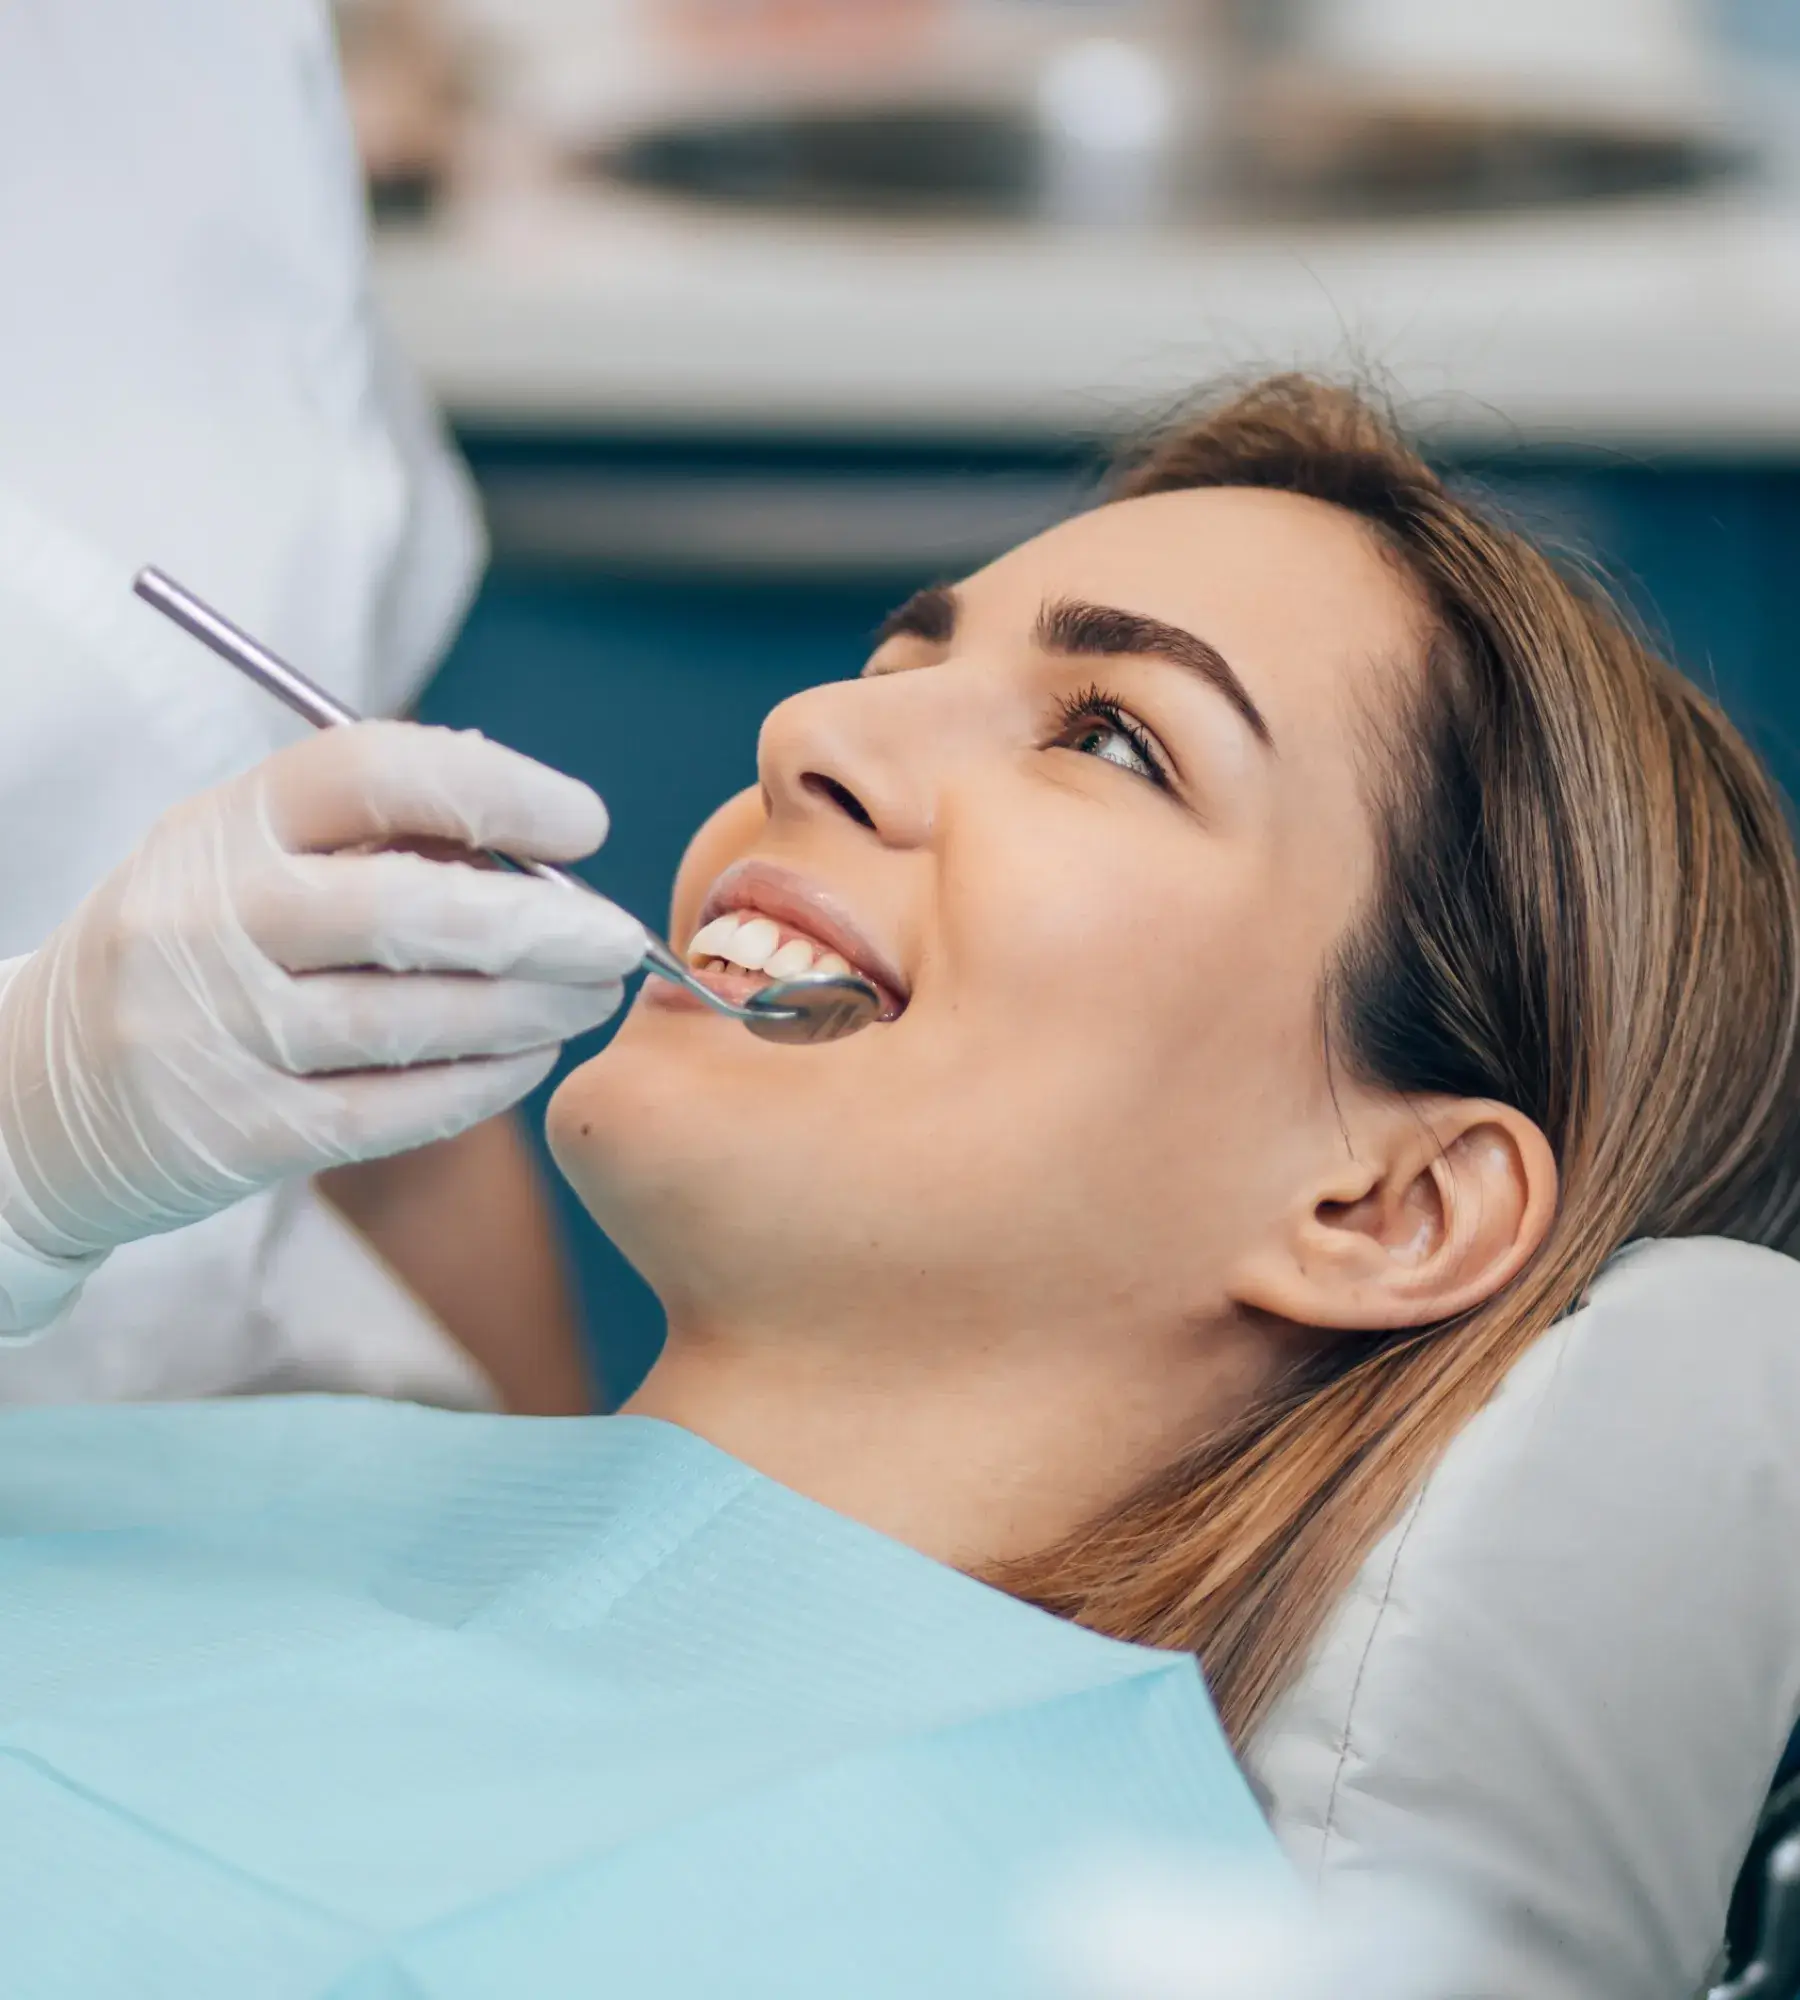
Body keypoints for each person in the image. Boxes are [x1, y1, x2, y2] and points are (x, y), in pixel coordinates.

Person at [0, 376, 1794, 1996]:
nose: (807, 733)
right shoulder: (244, 1467)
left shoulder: (1009, 1942)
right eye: (894, 665)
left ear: (1385, 1208)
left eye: (1110, 738)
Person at [0, 0, 625, 1411]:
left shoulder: (197, 45)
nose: (820, 738)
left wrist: (561, 1553)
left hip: (286, 1492)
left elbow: (396, 1103)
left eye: (1106, 743)